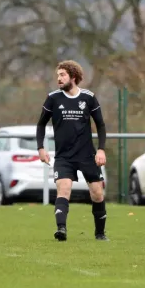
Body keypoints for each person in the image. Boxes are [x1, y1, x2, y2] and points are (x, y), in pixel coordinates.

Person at [36, 60, 108, 241]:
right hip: (64, 156)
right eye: (58, 75)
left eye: (62, 75)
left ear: (73, 77)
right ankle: (61, 229)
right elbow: (41, 124)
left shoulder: (88, 98)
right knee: (64, 188)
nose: (59, 79)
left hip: (87, 155)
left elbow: (100, 125)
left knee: (97, 193)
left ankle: (100, 233)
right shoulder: (53, 98)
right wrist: (41, 148)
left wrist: (101, 150)